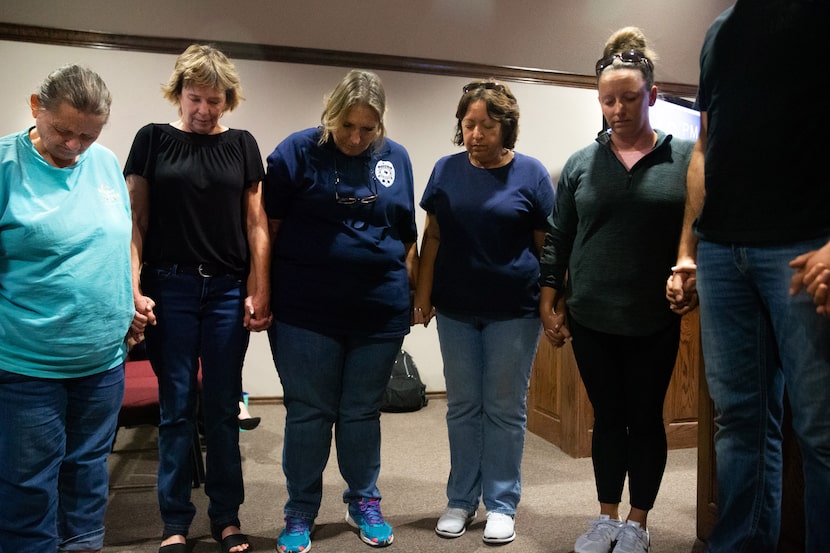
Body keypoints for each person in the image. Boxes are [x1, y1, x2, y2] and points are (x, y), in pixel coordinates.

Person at [667, 1, 830, 551]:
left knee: (822, 430)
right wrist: (689, 248)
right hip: (721, 253)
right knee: (738, 424)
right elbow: (705, 147)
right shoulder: (719, 32)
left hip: (805, 248)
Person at [539, 27, 694, 553]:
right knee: (608, 418)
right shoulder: (582, 163)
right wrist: (548, 296)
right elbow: (559, 234)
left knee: (645, 417)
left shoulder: (686, 160)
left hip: (653, 317)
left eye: (630, 98)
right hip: (591, 316)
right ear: (598, 99)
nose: (619, 109)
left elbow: (704, 230)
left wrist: (688, 273)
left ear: (651, 95)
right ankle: (605, 517)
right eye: (609, 100)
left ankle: (638, 522)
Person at [124, 44, 271, 553]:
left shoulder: (243, 145)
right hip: (171, 288)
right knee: (176, 405)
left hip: (228, 289)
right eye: (194, 98)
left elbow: (256, 224)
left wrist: (260, 287)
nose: (204, 110)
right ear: (178, 95)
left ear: (228, 99)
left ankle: (227, 518)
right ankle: (175, 522)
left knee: (223, 406)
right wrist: (134, 287)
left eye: (215, 100)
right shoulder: (152, 141)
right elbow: (135, 223)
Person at [264, 69, 418, 552]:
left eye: (367, 129)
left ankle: (363, 500)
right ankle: (300, 510)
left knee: (360, 413)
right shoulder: (296, 151)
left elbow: (407, 233)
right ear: (330, 115)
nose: (355, 138)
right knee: (309, 413)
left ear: (381, 125)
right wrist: (261, 291)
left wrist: (412, 295)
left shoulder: (396, 158)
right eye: (346, 126)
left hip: (378, 310)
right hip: (305, 310)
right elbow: (267, 227)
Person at [0, 64, 136, 552]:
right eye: (64, 131)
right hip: (26, 366)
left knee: (87, 474)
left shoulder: (103, 163)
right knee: (28, 486)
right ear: (36, 106)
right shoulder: (5, 167)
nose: (76, 145)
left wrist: (131, 299)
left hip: (101, 361)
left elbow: (119, 242)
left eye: (88, 134)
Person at [412, 79, 554, 544]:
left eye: (487, 126)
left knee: (504, 408)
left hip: (513, 310)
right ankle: (460, 499)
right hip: (456, 309)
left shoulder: (531, 174)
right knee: (462, 407)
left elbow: (545, 246)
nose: (476, 134)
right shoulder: (446, 170)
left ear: (506, 128)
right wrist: (423, 296)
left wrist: (555, 300)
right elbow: (432, 237)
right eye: (469, 125)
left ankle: (501, 504)